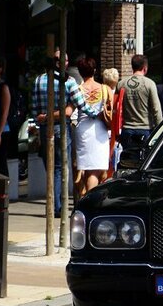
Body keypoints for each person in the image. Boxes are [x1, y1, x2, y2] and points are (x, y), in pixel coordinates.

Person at [32, 50, 99, 218]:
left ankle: (54, 205)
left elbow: (34, 111)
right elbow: (82, 105)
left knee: (50, 169)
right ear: (64, 63)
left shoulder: (38, 80)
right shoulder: (68, 82)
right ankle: (57, 208)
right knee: (60, 169)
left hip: (44, 129)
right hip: (60, 128)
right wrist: (97, 114)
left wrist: (44, 117)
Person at [73, 57, 111, 199]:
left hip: (82, 130)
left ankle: (84, 196)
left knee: (85, 169)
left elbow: (71, 110)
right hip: (99, 131)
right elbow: (112, 110)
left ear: (80, 72)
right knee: (96, 171)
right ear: (95, 71)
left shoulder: (77, 89)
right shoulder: (104, 89)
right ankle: (91, 201)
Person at [116, 54, 163, 149]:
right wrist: (161, 130)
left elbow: (116, 108)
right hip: (145, 130)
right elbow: (156, 110)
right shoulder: (150, 84)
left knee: (128, 160)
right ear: (145, 68)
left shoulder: (121, 84)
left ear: (132, 67)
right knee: (144, 160)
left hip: (127, 129)